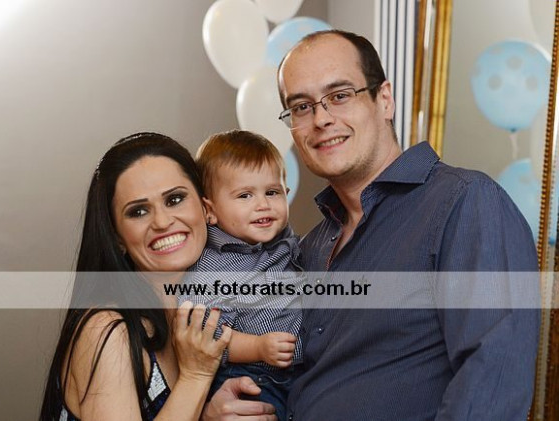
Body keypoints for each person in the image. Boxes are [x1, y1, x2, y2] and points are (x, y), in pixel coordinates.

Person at [203, 30, 540, 421]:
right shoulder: (305, 248)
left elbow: (493, 380)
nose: (321, 119)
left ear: (385, 100)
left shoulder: (463, 202)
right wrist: (218, 406)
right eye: (302, 106)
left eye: (340, 95)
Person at [39, 132, 232, 421]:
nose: (162, 222)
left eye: (175, 199)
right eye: (139, 211)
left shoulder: (209, 314)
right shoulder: (107, 330)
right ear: (117, 237)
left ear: (206, 208)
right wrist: (196, 377)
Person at [183, 130, 302, 421]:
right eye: (245, 195)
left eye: (272, 192)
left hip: (298, 372)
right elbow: (210, 336)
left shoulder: (285, 241)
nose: (263, 204)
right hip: (252, 376)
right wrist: (258, 347)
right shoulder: (214, 266)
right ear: (209, 211)